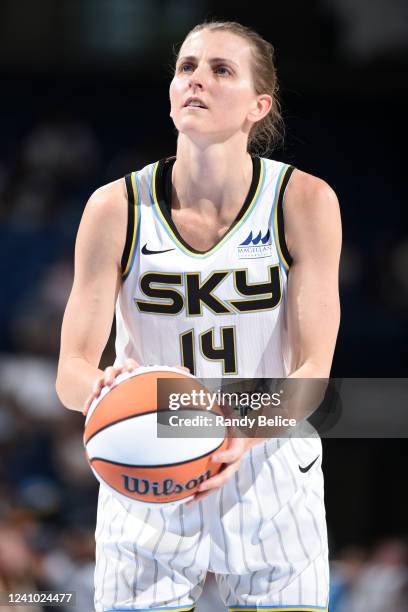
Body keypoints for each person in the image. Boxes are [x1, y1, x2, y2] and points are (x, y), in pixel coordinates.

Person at [56, 20, 341, 612]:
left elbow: (313, 370)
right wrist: (102, 390)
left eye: (220, 70)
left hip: (269, 466)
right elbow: (71, 372)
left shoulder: (304, 201)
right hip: (148, 461)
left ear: (258, 106)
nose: (196, 81)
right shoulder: (115, 207)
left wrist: (239, 427)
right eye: (186, 67)